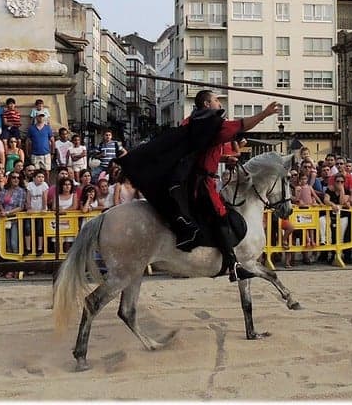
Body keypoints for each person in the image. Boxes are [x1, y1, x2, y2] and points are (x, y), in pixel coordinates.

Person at [118, 90, 280, 281]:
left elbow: (201, 153)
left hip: (187, 179)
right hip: (202, 183)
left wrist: (223, 158)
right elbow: (241, 126)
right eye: (216, 100)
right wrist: (265, 113)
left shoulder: (192, 123)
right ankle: (233, 264)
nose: (219, 104)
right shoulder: (212, 125)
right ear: (206, 104)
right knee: (220, 215)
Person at [0, 172, 26, 255]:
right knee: (6, 243)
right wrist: (3, 211)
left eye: (18, 178)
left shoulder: (21, 191)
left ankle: (16, 263)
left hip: (14, 219)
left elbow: (20, 207)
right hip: (4, 219)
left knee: (14, 242)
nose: (16, 179)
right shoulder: (4, 190)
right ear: (9, 179)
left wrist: (7, 213)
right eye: (14, 177)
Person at [24, 169, 48, 256]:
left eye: (42, 177)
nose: (41, 179)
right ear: (34, 178)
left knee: (40, 229)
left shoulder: (44, 185)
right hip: (32, 211)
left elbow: (44, 198)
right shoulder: (30, 185)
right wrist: (29, 208)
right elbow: (28, 197)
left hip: (41, 212)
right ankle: (28, 248)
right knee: (27, 228)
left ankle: (40, 248)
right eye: (39, 177)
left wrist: (44, 208)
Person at [26, 113, 54, 181]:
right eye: (39, 116)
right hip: (34, 154)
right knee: (35, 172)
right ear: (36, 117)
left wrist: (53, 152)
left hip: (46, 153)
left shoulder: (48, 128)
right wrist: (27, 152)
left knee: (47, 172)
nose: (41, 118)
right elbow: (28, 141)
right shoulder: (31, 128)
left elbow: (52, 140)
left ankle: (47, 187)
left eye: (42, 116)